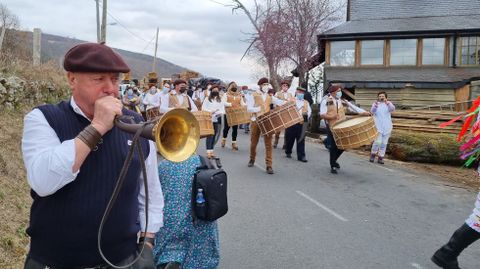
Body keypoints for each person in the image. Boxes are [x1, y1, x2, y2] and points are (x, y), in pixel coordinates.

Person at [21, 42, 164, 269]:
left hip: (123, 260)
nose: (110, 89)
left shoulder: (136, 123)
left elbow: (150, 191)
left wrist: (147, 242)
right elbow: (43, 182)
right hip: (54, 261)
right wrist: (97, 125)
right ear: (72, 79)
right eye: (99, 79)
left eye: (115, 79)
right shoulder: (43, 118)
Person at [153, 154, 220, 269]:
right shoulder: (204, 163)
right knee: (202, 257)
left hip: (171, 225)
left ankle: (171, 258)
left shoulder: (161, 167)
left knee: (169, 247)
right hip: (200, 221)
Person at [320, 84, 370, 174]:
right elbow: (322, 114)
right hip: (332, 126)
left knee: (344, 145)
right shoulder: (326, 100)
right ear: (333, 92)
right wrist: (332, 116)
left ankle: (334, 160)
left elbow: (353, 108)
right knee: (334, 146)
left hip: (342, 125)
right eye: (338, 91)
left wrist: (364, 112)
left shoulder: (342, 100)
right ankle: (333, 165)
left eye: (340, 91)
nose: (340, 92)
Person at [245, 77, 285, 174]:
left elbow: (279, 102)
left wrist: (289, 102)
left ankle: (269, 165)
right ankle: (252, 159)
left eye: (267, 85)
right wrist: (258, 109)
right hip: (256, 120)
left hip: (266, 121)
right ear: (260, 86)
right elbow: (249, 109)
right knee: (254, 143)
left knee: (268, 144)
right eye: (265, 85)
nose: (266, 87)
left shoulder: (269, 96)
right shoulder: (253, 95)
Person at [284, 86, 311, 163]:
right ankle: (288, 151)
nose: (301, 94)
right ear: (296, 92)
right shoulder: (291, 100)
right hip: (291, 123)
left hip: (301, 123)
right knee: (290, 139)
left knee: (301, 140)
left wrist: (305, 116)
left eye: (302, 93)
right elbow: (286, 110)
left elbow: (309, 111)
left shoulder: (306, 102)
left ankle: (301, 156)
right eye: (299, 92)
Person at [369, 91, 395, 164]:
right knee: (377, 142)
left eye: (383, 96)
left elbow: (392, 109)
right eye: (380, 96)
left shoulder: (388, 104)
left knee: (384, 143)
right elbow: (372, 112)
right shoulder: (375, 104)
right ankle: (373, 155)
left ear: (385, 97)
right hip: (378, 126)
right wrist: (375, 106)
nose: (381, 97)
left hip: (387, 126)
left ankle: (380, 157)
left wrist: (388, 103)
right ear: (378, 97)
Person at [202, 85, 225, 158]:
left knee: (214, 135)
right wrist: (211, 112)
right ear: (211, 91)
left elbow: (222, 109)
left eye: (217, 90)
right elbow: (203, 108)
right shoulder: (207, 99)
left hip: (216, 119)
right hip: (208, 119)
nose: (216, 91)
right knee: (210, 135)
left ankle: (211, 151)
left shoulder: (220, 100)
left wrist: (220, 113)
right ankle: (208, 151)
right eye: (214, 90)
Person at [221, 81, 246, 151]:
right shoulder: (226, 94)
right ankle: (224, 139)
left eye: (235, 86)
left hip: (236, 114)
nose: (234, 87)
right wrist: (230, 104)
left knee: (235, 129)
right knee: (226, 128)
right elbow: (223, 102)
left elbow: (242, 103)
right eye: (232, 86)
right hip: (228, 113)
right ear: (229, 87)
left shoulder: (239, 95)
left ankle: (234, 143)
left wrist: (246, 106)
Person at [273, 80, 295, 149]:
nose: (285, 87)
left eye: (286, 86)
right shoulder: (277, 93)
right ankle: (276, 142)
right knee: (278, 129)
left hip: (287, 114)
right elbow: (274, 103)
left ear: (288, 87)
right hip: (279, 113)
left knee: (287, 130)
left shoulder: (290, 94)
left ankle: (285, 144)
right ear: (281, 86)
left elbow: (292, 103)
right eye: (283, 86)